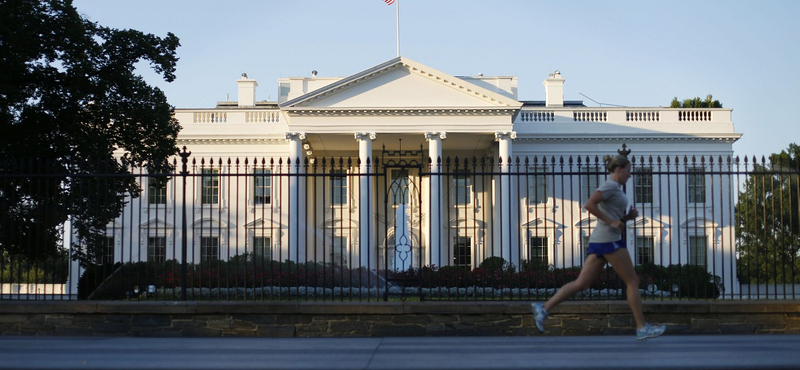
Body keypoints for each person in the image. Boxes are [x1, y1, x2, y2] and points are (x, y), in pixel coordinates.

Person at [531, 154, 666, 342]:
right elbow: (589, 204)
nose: (630, 174)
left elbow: (610, 214)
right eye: (628, 170)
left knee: (582, 283)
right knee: (632, 282)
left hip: (602, 240)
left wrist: (626, 218)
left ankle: (543, 308)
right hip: (609, 241)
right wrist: (611, 221)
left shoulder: (615, 187)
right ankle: (642, 327)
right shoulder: (609, 186)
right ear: (619, 170)